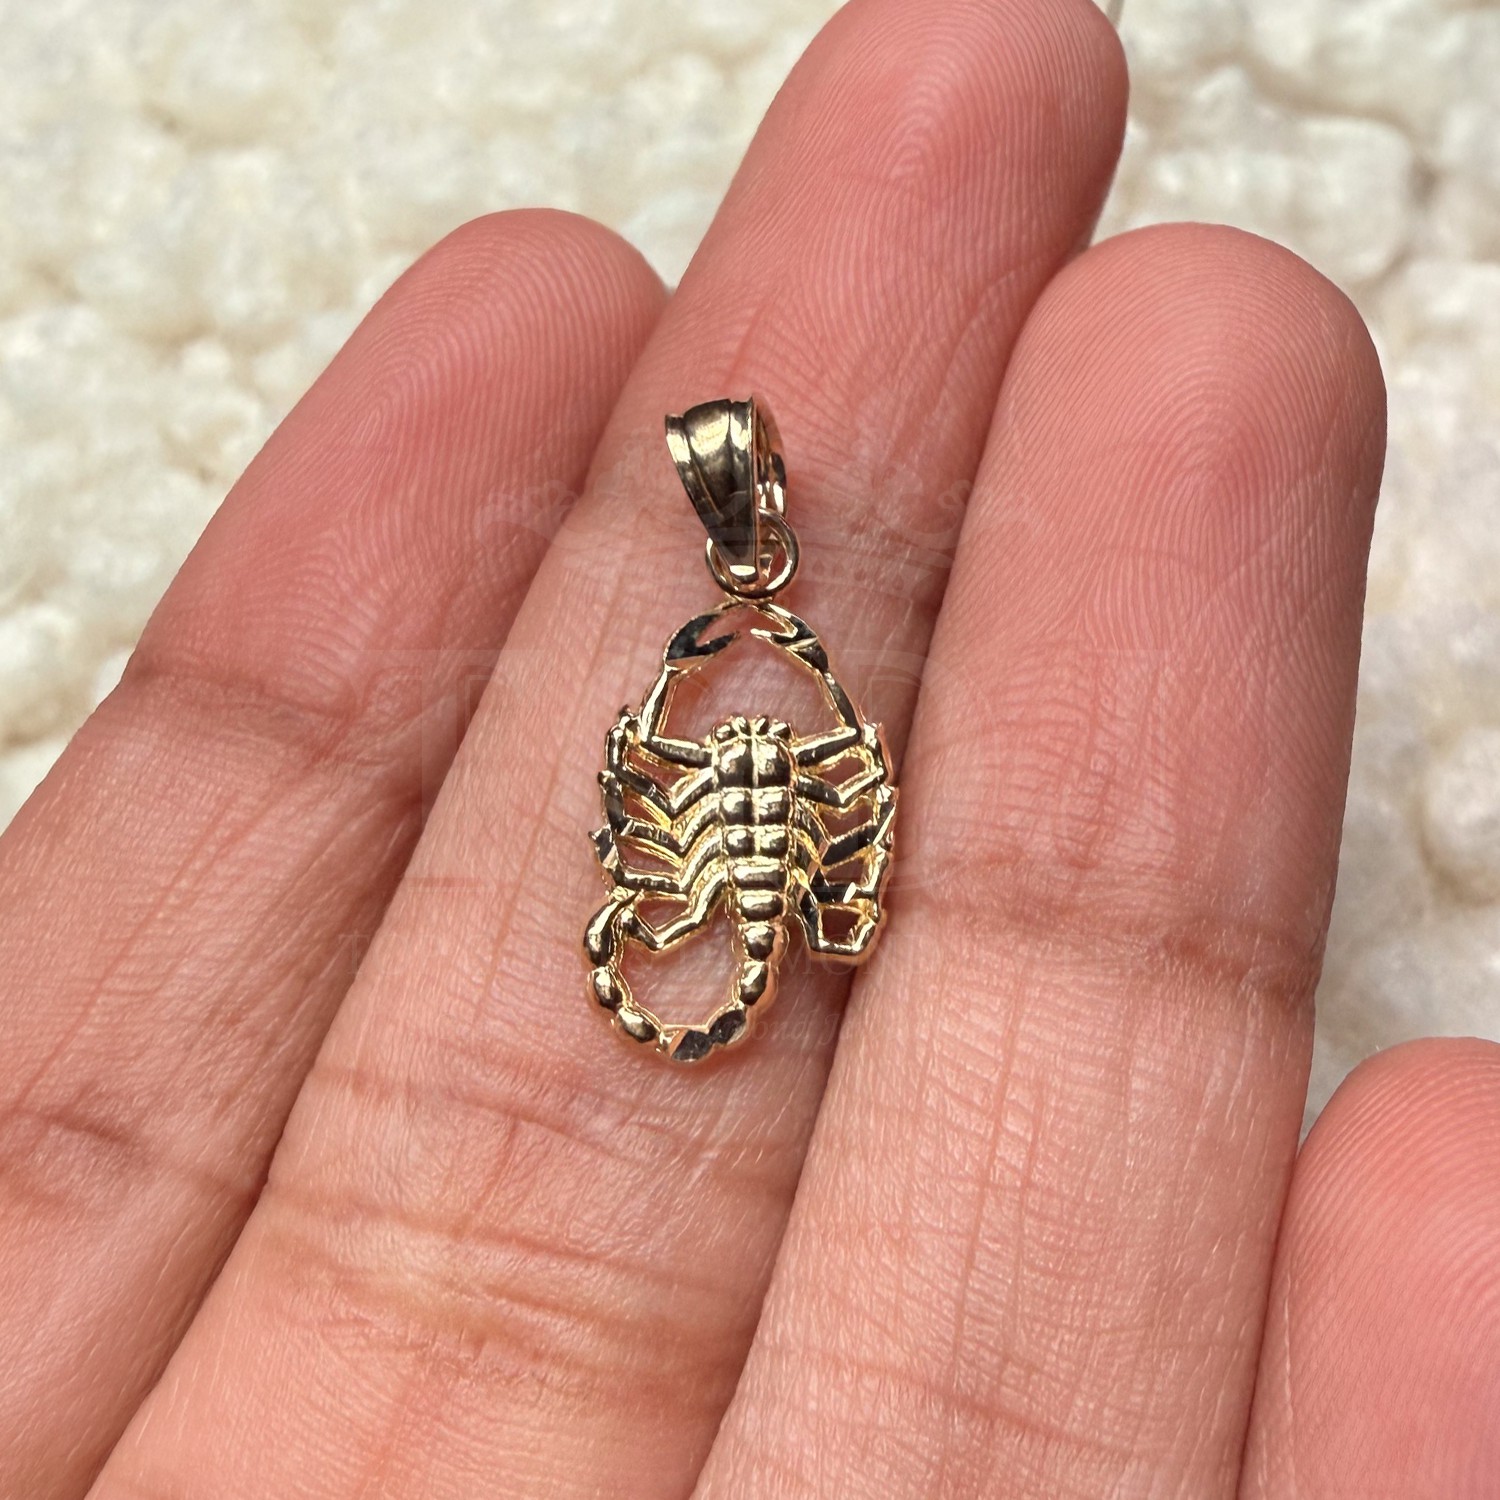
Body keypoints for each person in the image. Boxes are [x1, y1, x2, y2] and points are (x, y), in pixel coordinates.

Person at [0, 1, 1489, 1495]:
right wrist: (779, 706)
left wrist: (738, 708)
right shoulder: (773, 760)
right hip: (757, 867)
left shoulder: (747, 773)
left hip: (757, 876)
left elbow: (716, 793)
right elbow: (731, 792)